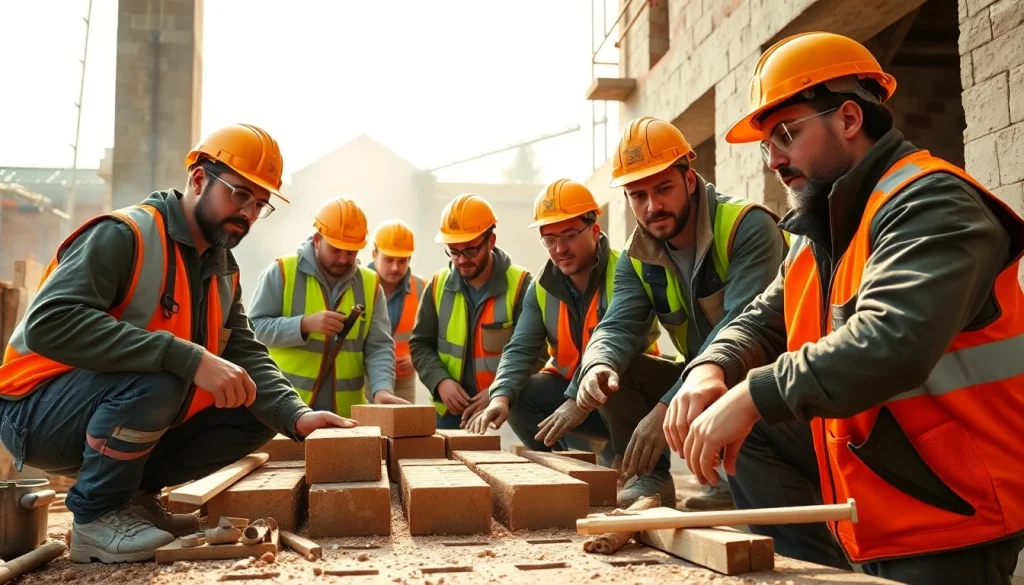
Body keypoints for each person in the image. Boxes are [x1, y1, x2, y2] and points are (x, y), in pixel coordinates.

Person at [667, 31, 1024, 584]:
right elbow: (764, 319)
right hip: (881, 473)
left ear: (850, 119)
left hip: (952, 503)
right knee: (752, 424)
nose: (774, 160)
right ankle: (814, 572)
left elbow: (892, 341)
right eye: (767, 145)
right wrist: (713, 368)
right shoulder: (823, 232)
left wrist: (752, 394)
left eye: (786, 133)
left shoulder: (930, 202)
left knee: (753, 409)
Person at [0, 124, 354, 563]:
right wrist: (184, 356)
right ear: (199, 179)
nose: (247, 212)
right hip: (34, 414)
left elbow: (245, 352)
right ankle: (96, 517)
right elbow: (49, 323)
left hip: (109, 405)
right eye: (240, 194)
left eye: (260, 204)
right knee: (164, 375)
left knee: (255, 405)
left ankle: (133, 500)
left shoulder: (223, 269)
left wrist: (297, 416)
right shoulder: (124, 235)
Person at [563, 117, 786, 507]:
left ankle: (729, 480)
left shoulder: (746, 227)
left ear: (689, 179)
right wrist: (597, 364)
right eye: (638, 195)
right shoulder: (638, 254)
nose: (653, 206)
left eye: (663, 188)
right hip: (703, 379)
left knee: (724, 370)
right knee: (616, 370)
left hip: (772, 381)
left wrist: (666, 406)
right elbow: (617, 326)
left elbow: (743, 333)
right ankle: (651, 481)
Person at [468, 179, 659, 466]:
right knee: (519, 393)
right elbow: (520, 348)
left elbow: (626, 343)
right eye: (550, 239)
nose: (560, 249)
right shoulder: (541, 287)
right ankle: (560, 472)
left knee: (618, 375)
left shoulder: (628, 269)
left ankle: (635, 464)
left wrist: (578, 400)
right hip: (574, 396)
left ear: (595, 230)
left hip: (629, 399)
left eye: (569, 235)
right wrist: (501, 395)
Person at [251, 197, 407, 417]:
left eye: (351, 252)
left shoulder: (370, 284)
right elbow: (255, 329)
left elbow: (379, 346)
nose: (344, 259)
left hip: (344, 417)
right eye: (336, 249)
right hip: (285, 411)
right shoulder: (282, 272)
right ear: (317, 240)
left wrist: (382, 389)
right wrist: (304, 324)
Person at [409, 193, 535, 429]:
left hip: (507, 408)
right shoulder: (437, 285)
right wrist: (441, 381)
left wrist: (499, 391)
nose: (461, 260)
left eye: (470, 251)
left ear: (491, 241)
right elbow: (420, 345)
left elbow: (535, 352)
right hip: (450, 409)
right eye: (453, 251)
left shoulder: (521, 285)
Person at [367, 219, 426, 403]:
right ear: (374, 254)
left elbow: (435, 336)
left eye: (402, 261)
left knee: (404, 429)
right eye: (389, 259)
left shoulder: (421, 288)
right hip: (363, 378)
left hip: (403, 378)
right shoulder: (358, 284)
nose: (395, 267)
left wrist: (415, 360)